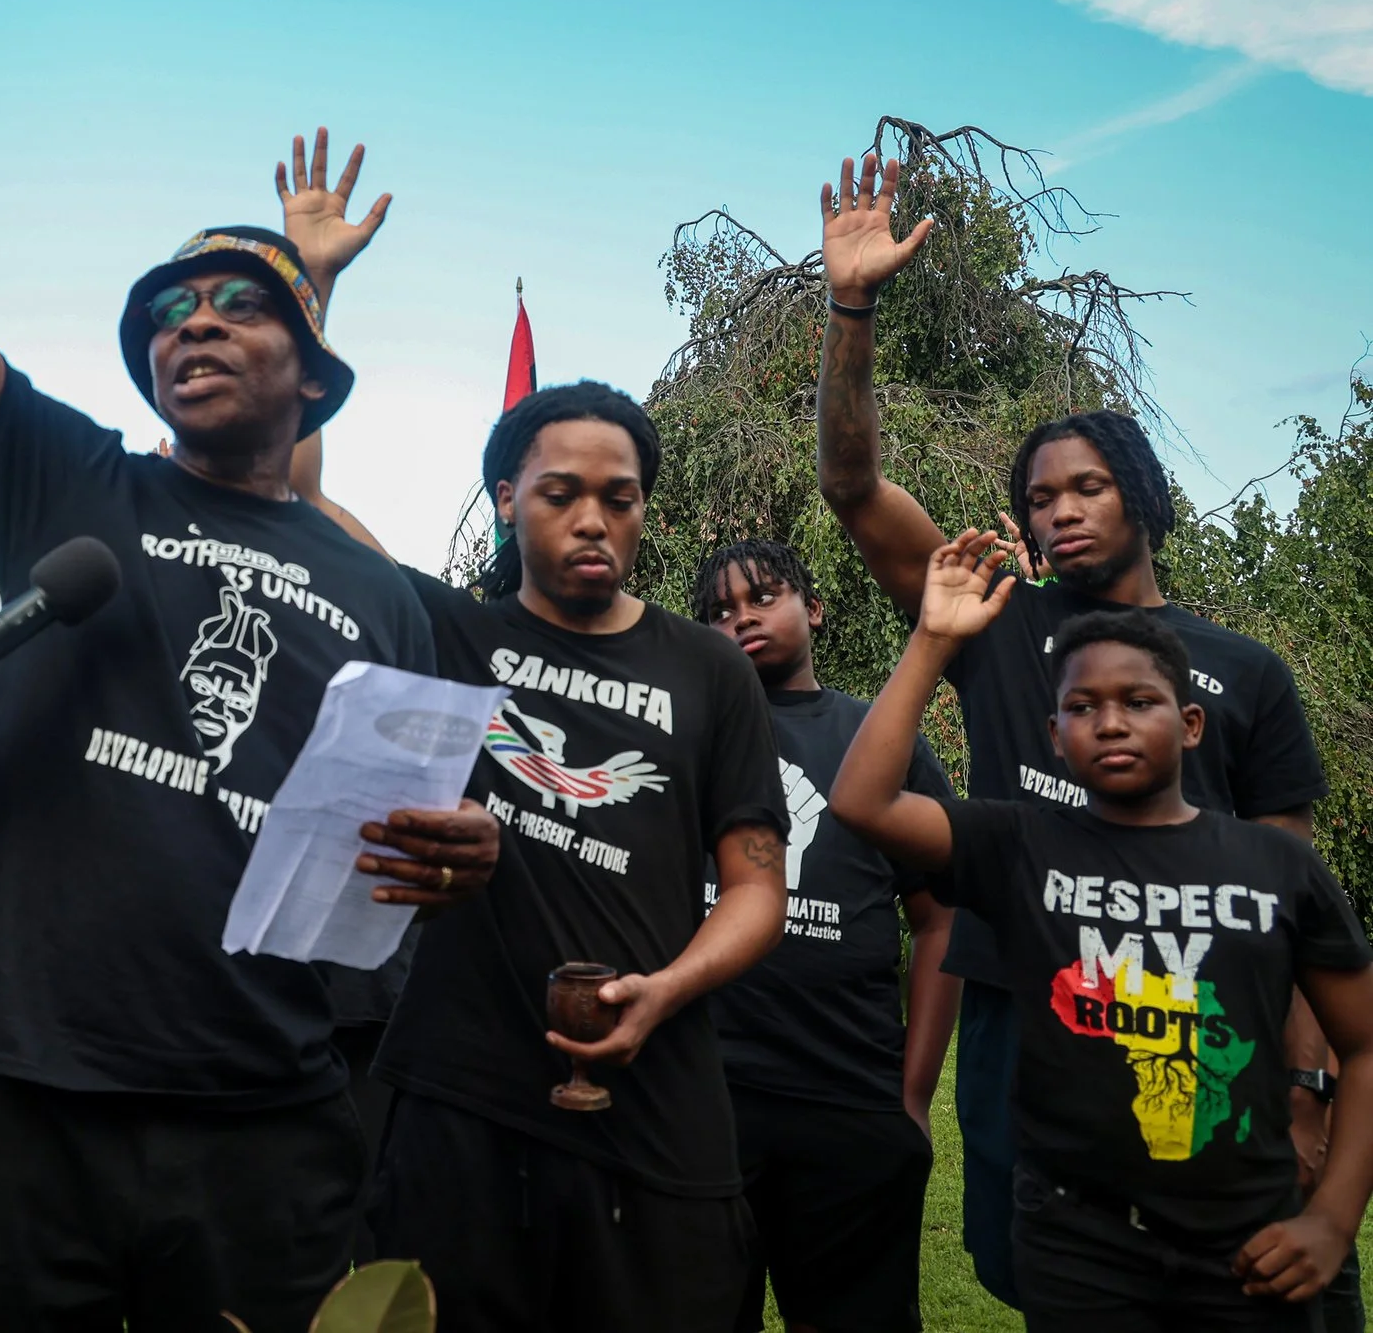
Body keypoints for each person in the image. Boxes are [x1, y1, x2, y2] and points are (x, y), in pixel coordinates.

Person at [0, 0, 499, 1333]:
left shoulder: (384, 592)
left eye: (236, 305)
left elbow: (418, 831)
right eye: (163, 316)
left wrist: (466, 854)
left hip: (266, 1116)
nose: (188, 321)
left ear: (318, 372)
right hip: (16, 1096)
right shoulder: (73, 483)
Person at [815, 151, 1335, 1311]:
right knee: (1039, 1272)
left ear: (1139, 494)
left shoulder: (1245, 674)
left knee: (1229, 1275)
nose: (1059, 508)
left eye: (1087, 485)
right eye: (1040, 494)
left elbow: (1294, 894)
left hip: (1202, 1005)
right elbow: (853, 485)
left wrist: (1304, 1076)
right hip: (1024, 995)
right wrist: (852, 308)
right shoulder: (1000, 623)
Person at [301, 364, 789, 1332]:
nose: (592, 520)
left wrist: (667, 989)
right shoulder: (448, 631)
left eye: (620, 496)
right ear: (506, 498)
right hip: (459, 1092)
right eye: (560, 493)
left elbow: (754, 886)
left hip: (657, 1102)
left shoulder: (710, 667)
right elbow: (306, 496)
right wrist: (312, 285)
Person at [829, 534, 1373, 1332]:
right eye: (1082, 707)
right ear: (1054, 736)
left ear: (1192, 724)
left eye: (1139, 701)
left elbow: (1363, 1042)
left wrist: (1330, 1219)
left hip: (1245, 1237)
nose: (1110, 722)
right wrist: (933, 638)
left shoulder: (1275, 866)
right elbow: (862, 800)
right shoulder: (1020, 847)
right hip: (1078, 1247)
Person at [693, 539, 962, 1333]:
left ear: (813, 608)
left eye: (763, 597)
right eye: (718, 611)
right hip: (704, 1101)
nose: (741, 618)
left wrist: (912, 1093)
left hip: (851, 1101)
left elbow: (942, 917)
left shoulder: (880, 740)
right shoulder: (688, 736)